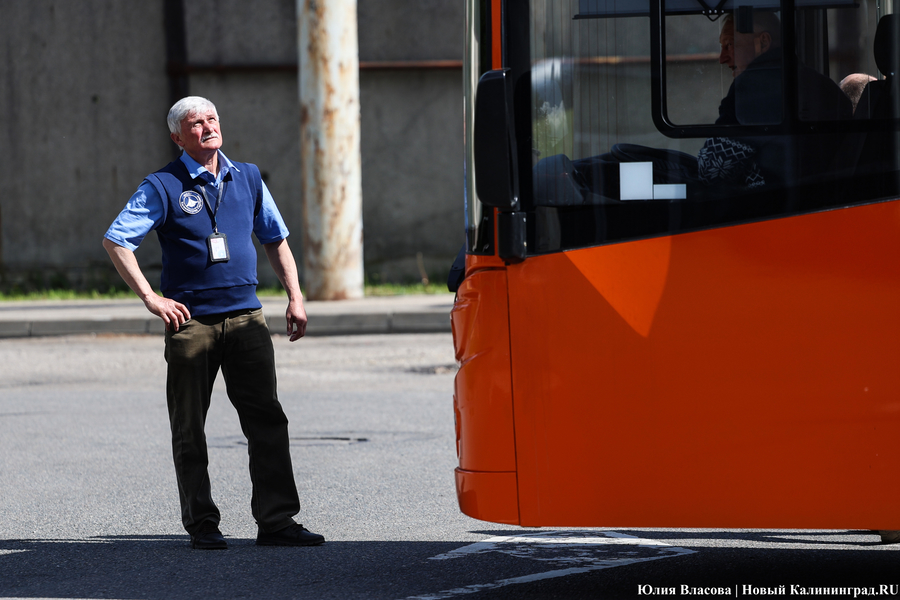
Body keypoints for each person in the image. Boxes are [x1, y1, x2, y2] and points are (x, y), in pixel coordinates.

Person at [102, 96, 324, 550]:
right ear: (177, 136)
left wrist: (296, 297)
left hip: (247, 319)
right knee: (189, 427)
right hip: (192, 325)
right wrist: (151, 298)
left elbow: (275, 238)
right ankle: (202, 524)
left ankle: (277, 521)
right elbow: (117, 239)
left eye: (212, 119)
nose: (207, 127)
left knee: (267, 419)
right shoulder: (162, 185)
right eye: (195, 123)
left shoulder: (248, 176)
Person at [699, 10, 852, 190]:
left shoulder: (750, 87)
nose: (722, 58)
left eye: (730, 45)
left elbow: (712, 169)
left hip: (770, 201)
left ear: (763, 42)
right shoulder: (826, 86)